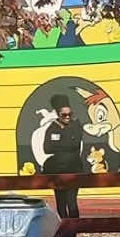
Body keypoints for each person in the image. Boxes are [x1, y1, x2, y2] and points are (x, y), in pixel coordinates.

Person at [41, 95, 83, 224]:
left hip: (73, 169)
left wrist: (59, 144)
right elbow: (46, 148)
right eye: (64, 115)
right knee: (61, 202)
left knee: (71, 202)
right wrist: (66, 143)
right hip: (58, 171)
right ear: (58, 114)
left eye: (69, 114)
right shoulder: (52, 127)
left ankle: (75, 230)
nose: (68, 117)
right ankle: (64, 231)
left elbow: (75, 144)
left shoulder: (76, 125)